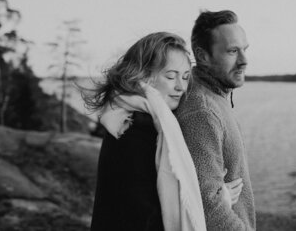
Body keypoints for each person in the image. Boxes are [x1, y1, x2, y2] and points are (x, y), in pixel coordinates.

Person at [84, 32, 208, 231]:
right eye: (170, 76)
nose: (181, 87)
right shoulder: (136, 129)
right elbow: (143, 214)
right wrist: (213, 202)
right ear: (143, 76)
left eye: (185, 77)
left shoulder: (131, 119)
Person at [175, 10, 256, 230]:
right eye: (232, 51)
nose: (244, 61)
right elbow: (209, 209)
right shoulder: (202, 111)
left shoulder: (215, 97)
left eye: (244, 50)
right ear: (202, 56)